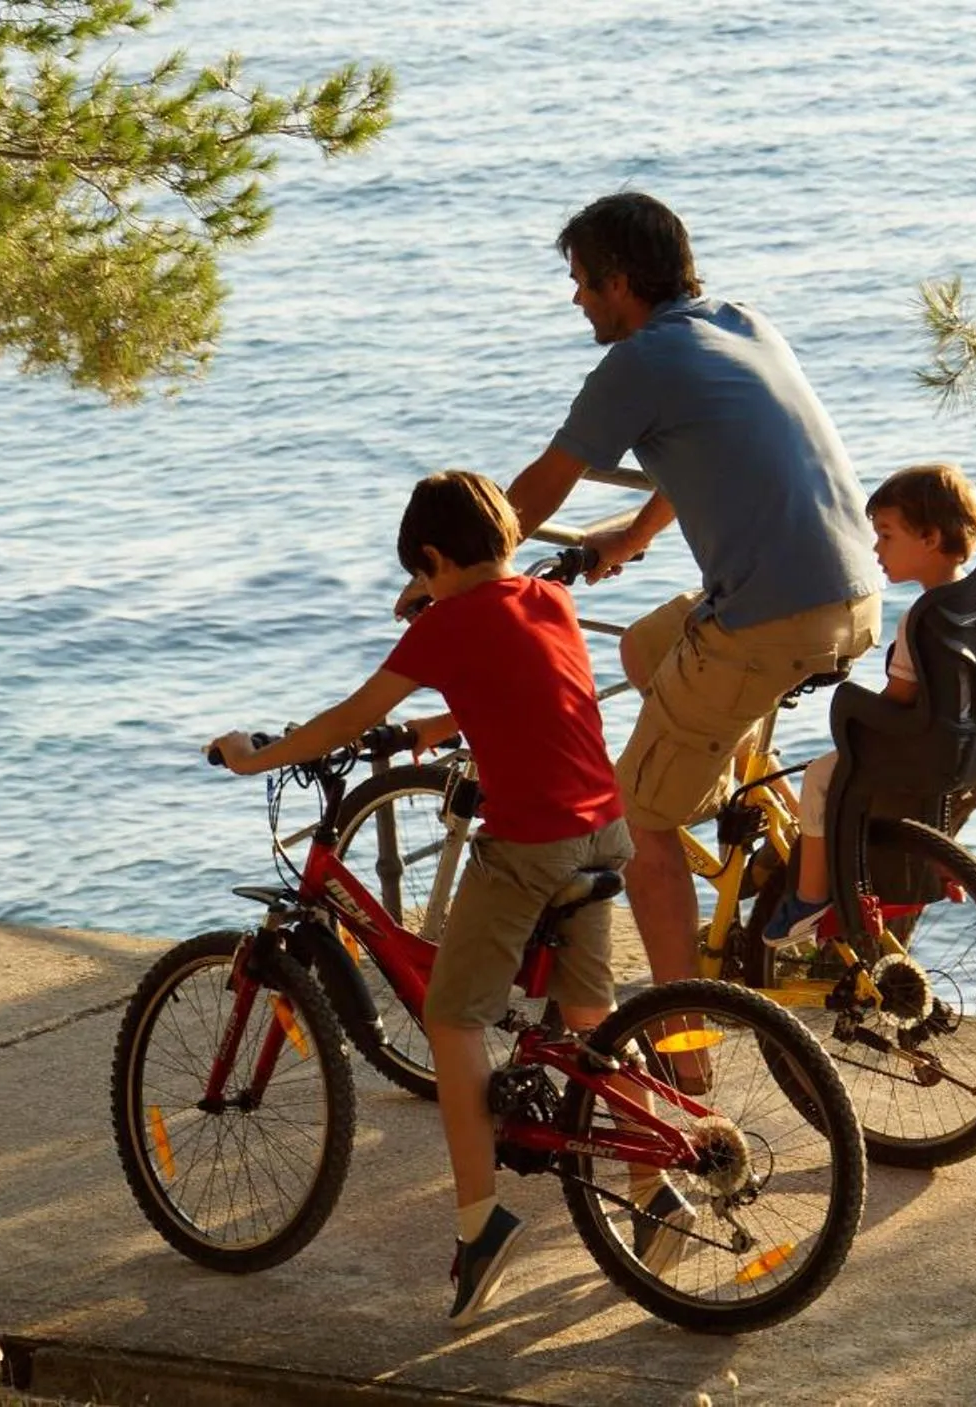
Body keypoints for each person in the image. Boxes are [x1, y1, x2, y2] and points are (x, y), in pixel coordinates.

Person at [417, 191, 882, 989]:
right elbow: (712, 446)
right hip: (855, 591)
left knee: (638, 817)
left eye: (582, 282)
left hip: (769, 618)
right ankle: (737, 827)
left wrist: (452, 579)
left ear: (621, 282)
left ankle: (682, 1038)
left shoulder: (635, 363)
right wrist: (632, 537)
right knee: (643, 645)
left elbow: (536, 491)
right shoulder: (742, 323)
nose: (575, 298)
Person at [209, 470, 634, 1326]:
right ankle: (655, 1196)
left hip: (532, 845)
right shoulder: (544, 600)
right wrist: (432, 729)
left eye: (424, 576)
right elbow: (533, 694)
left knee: (452, 1018)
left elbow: (344, 717)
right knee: (592, 1017)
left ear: (433, 560)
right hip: (604, 824)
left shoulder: (445, 624)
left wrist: (257, 754)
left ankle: (481, 1224)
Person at [764, 462, 976, 942]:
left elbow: (898, 698)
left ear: (929, 537)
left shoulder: (925, 617)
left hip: (918, 745)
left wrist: (858, 716)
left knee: (821, 777)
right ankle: (938, 860)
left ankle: (807, 899)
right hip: (969, 742)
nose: (876, 548)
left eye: (886, 535)